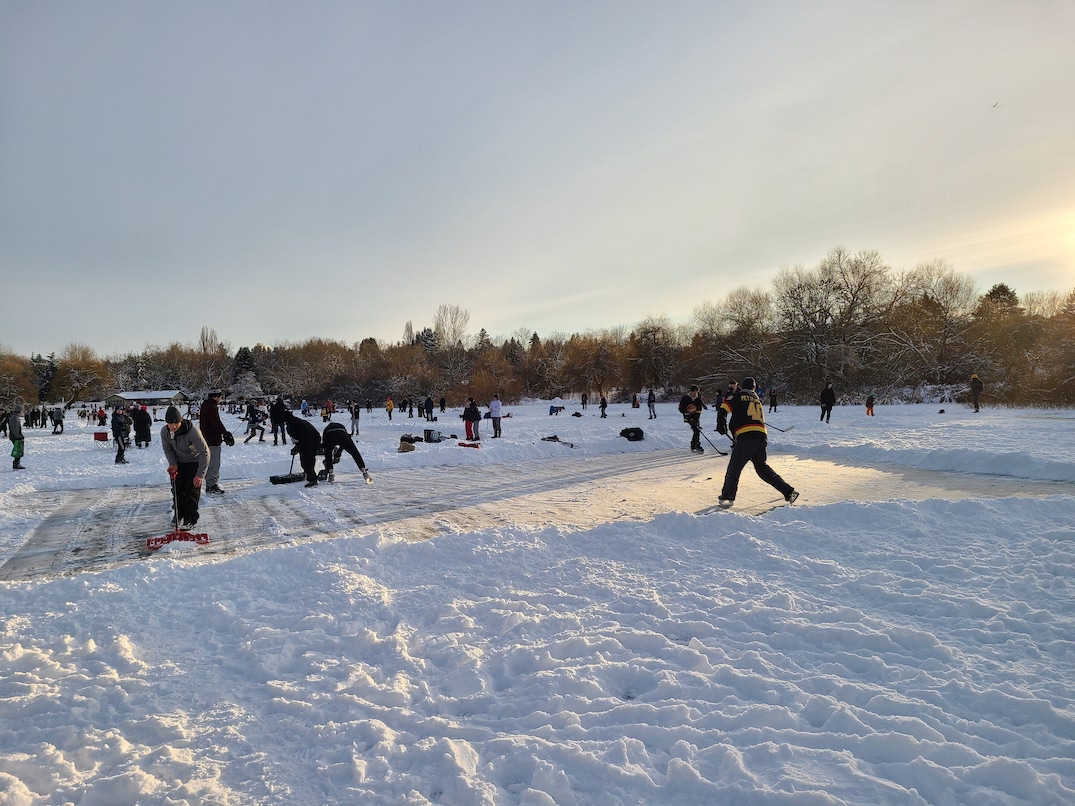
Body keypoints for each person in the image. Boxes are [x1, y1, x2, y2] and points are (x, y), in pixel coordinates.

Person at [716, 377, 798, 508]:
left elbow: (723, 409)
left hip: (747, 437)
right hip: (761, 437)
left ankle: (727, 495)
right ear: (754, 388)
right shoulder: (757, 400)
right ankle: (789, 491)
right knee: (762, 469)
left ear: (742, 387)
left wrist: (721, 425)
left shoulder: (737, 396)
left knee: (734, 468)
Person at [161, 405, 209, 528]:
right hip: (178, 463)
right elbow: (168, 449)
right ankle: (178, 515)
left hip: (195, 461)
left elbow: (205, 453)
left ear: (181, 421)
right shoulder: (165, 432)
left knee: (191, 490)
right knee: (177, 490)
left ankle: (190, 518)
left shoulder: (193, 432)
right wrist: (173, 464)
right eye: (170, 424)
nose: (173, 426)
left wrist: (199, 475)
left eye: (176, 423)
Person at [198, 389, 234, 496]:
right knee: (214, 462)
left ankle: (212, 483)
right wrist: (225, 433)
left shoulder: (207, 405)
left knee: (212, 461)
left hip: (208, 438)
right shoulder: (211, 407)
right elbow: (215, 422)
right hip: (212, 440)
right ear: (217, 397)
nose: (221, 399)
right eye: (220, 396)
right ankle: (211, 485)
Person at [283, 410, 322, 487]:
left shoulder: (290, 426)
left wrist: (296, 448)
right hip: (316, 439)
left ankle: (312, 479)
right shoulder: (301, 421)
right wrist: (297, 448)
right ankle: (311, 475)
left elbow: (297, 439)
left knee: (305, 461)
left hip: (307, 441)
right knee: (311, 458)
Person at [678, 385, 706, 454]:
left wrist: (695, 419)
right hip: (687, 416)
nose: (695, 393)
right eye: (694, 392)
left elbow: (699, 410)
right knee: (696, 430)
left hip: (695, 417)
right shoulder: (685, 398)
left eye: (696, 392)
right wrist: (686, 413)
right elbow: (680, 407)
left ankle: (694, 445)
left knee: (696, 430)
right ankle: (697, 445)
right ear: (691, 391)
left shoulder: (698, 399)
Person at [9, 404, 25, 470]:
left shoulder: (15, 417)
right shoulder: (15, 418)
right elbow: (14, 428)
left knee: (18, 449)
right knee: (18, 450)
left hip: (15, 436)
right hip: (15, 436)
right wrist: (18, 436)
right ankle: (16, 463)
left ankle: (17, 463)